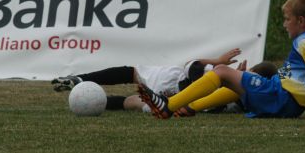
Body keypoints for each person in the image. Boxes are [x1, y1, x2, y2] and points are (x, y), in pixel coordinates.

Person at [139, 0, 305, 120]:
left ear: (301, 21)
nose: (285, 24)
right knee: (239, 80)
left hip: (279, 97)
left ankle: (169, 105)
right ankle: (188, 107)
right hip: (284, 100)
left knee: (222, 71)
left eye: (287, 19)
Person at [51, 48, 243, 111]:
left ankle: (81, 82)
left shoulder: (224, 78)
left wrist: (218, 62)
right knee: (133, 101)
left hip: (170, 85)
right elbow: (192, 66)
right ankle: (90, 97)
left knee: (132, 74)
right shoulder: (236, 102)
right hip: (173, 99)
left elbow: (192, 65)